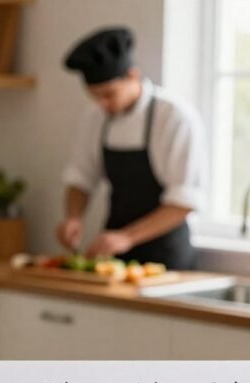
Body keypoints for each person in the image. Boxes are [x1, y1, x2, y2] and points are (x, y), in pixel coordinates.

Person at [58, 26, 205, 269]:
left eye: (109, 94)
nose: (102, 104)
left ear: (132, 76)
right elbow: (81, 178)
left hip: (166, 260)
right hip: (113, 258)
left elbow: (184, 201)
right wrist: (73, 217)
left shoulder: (174, 117)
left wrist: (127, 237)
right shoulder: (95, 117)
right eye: (94, 96)